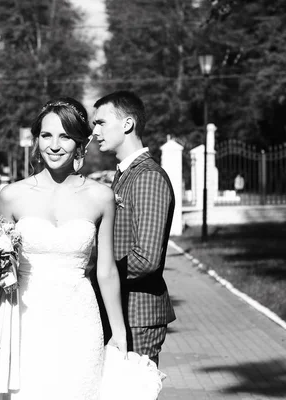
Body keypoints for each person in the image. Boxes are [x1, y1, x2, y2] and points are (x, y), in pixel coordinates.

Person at [0, 97, 127, 399]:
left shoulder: (101, 197)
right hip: (27, 321)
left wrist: (119, 332)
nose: (55, 145)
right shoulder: (12, 196)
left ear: (80, 143)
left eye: (65, 136)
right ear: (36, 140)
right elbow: (2, 270)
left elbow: (105, 271)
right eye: (46, 135)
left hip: (80, 322)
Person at [91, 90, 176, 366]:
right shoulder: (124, 175)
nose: (94, 132)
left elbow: (147, 258)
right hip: (122, 312)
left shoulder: (148, 177)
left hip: (137, 316)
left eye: (101, 123)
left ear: (127, 124)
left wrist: (99, 274)